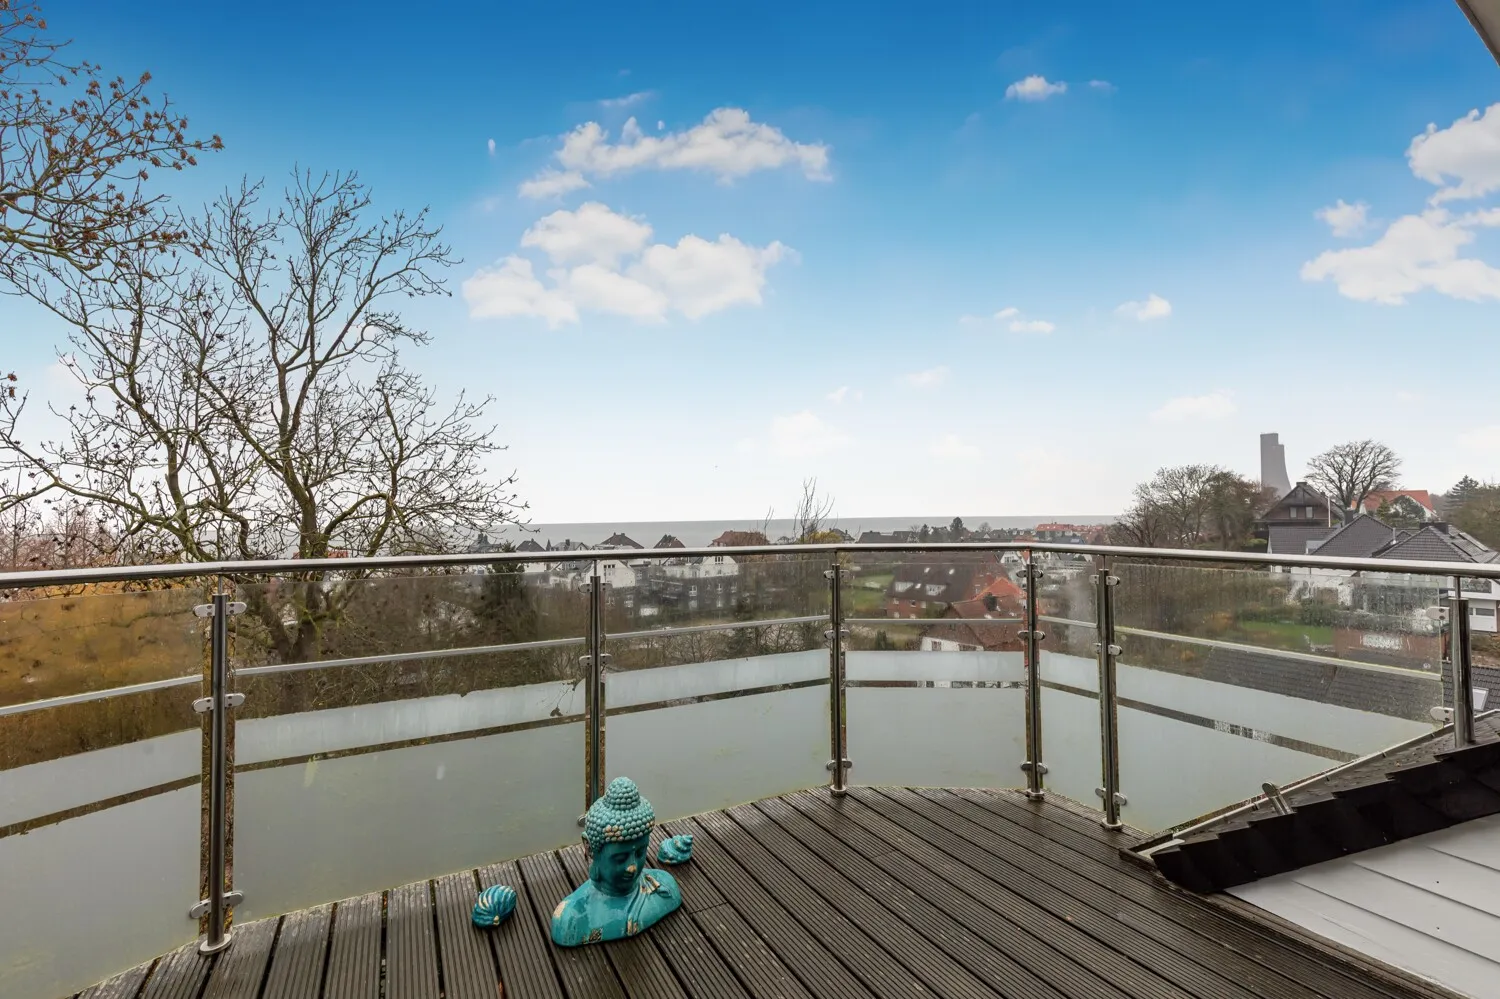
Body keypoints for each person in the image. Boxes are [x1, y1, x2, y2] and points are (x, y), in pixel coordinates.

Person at [550, 777, 682, 946]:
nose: (632, 867)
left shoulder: (665, 888)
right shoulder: (572, 919)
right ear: (590, 848)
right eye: (620, 858)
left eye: (641, 852)